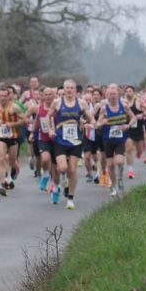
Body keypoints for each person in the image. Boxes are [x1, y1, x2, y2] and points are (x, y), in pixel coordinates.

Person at [51, 79, 93, 210]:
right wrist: (50, 129)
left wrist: (89, 124)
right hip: (60, 140)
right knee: (63, 168)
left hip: (75, 141)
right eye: (67, 88)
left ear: (75, 90)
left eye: (71, 88)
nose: (69, 90)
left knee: (73, 170)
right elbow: (48, 116)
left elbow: (90, 118)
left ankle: (70, 198)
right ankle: (63, 179)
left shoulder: (81, 103)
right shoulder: (57, 102)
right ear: (63, 90)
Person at [95, 82, 137, 197]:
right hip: (107, 139)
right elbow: (97, 124)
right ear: (107, 95)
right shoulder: (104, 108)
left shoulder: (124, 106)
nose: (112, 96)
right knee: (110, 165)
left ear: (118, 94)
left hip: (120, 139)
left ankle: (120, 178)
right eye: (110, 94)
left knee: (119, 161)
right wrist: (102, 123)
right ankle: (113, 186)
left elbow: (133, 117)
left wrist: (128, 125)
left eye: (114, 93)